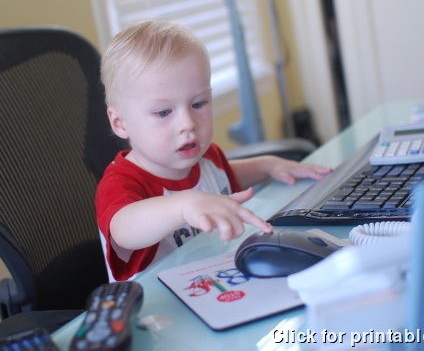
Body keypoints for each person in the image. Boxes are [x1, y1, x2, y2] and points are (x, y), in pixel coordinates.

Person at [96, 20, 332, 281]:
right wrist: (184, 205)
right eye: (163, 112)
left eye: (198, 103)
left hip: (218, 279)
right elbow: (122, 230)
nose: (188, 123)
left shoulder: (206, 158)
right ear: (120, 123)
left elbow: (222, 175)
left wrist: (267, 166)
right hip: (158, 302)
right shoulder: (121, 184)